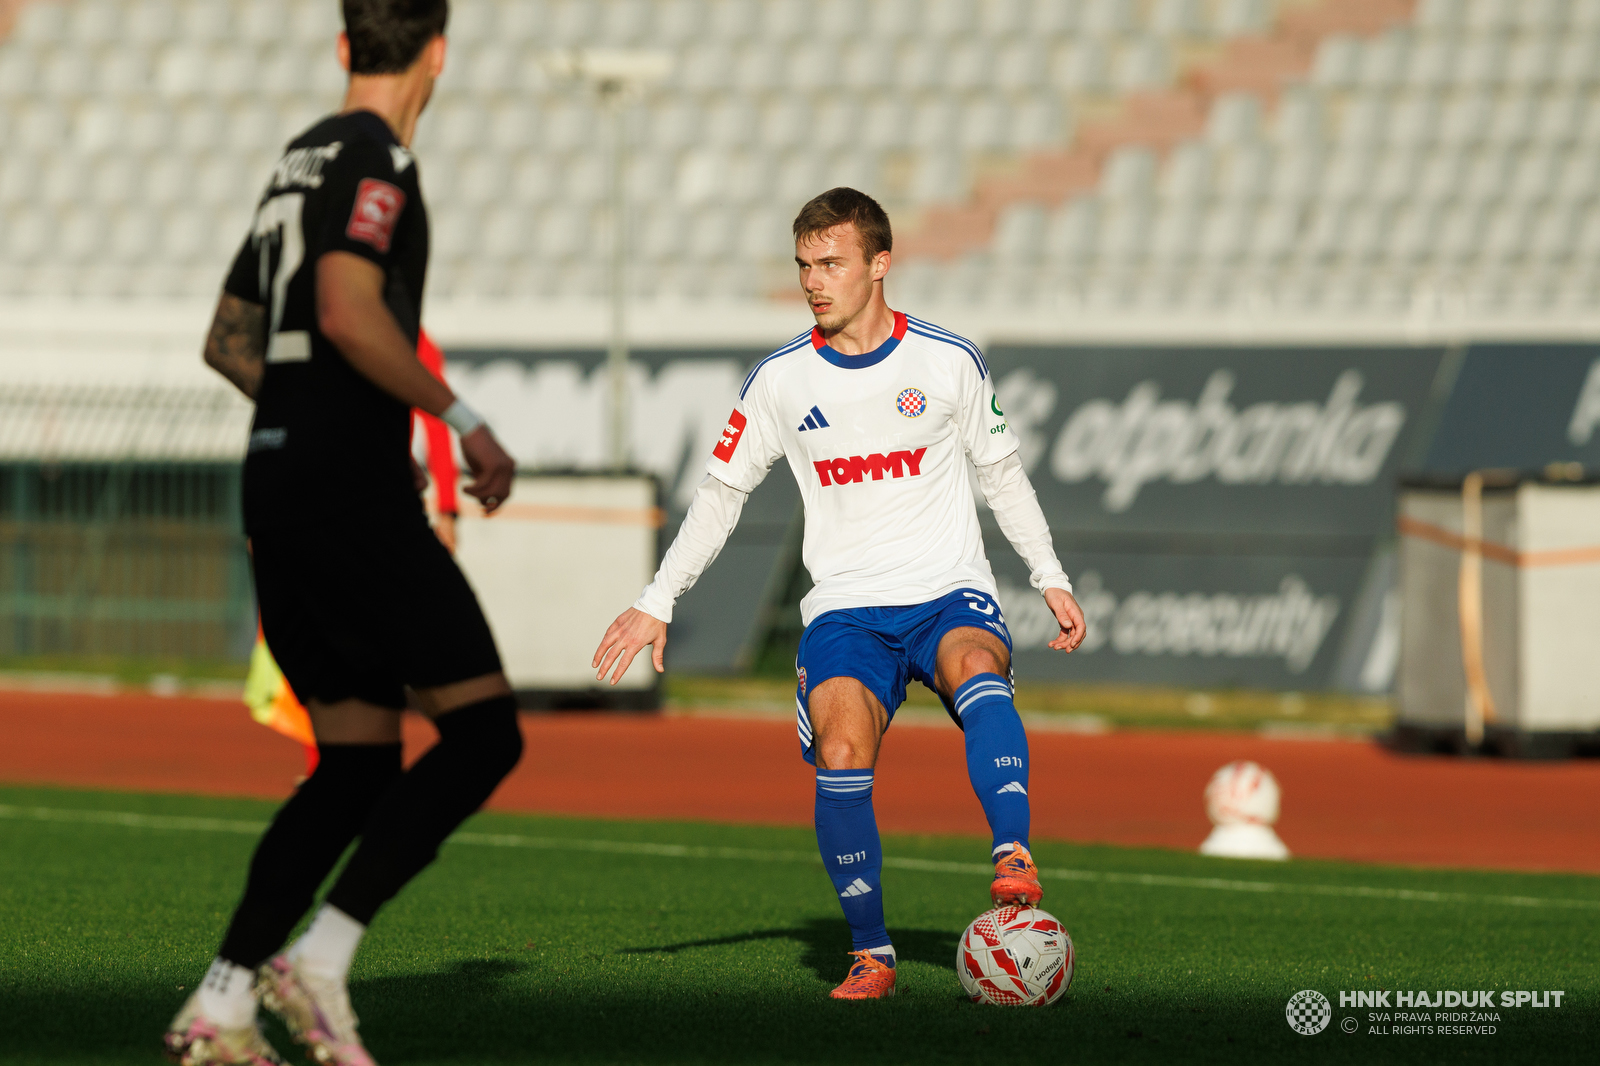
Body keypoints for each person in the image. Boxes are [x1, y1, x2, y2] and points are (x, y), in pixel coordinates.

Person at [593, 187, 1087, 1001]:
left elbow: (1002, 475)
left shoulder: (947, 360)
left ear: (880, 264)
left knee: (975, 664)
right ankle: (871, 953)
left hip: (946, 590)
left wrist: (1051, 576)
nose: (814, 282)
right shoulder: (779, 381)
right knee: (844, 750)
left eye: (831, 263)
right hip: (848, 609)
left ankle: (1012, 854)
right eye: (803, 266)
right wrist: (659, 597)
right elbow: (720, 495)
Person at [164, 3, 523, 1064]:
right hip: (349, 500)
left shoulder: (298, 159)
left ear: (341, 47)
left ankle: (220, 1006)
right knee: (484, 732)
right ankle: (317, 955)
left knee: (355, 763)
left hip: (276, 487)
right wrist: (458, 420)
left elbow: (230, 340)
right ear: (438, 52)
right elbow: (345, 307)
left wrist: (329, 419)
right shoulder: (377, 162)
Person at [243, 327, 462, 780]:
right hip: (320, 507)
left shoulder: (402, 336)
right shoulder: (317, 331)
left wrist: (447, 509)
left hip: (367, 510)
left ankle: (349, 769)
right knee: (321, 646)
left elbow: (436, 418)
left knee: (364, 646)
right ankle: (333, 768)